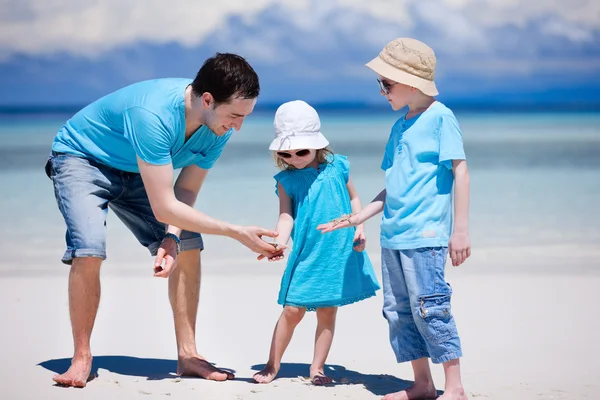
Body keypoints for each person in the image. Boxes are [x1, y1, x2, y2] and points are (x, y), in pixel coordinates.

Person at [44, 53, 283, 388]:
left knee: (188, 243)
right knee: (90, 248)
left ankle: (188, 355)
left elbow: (183, 191)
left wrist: (171, 239)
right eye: (235, 116)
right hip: (83, 160)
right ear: (207, 99)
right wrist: (235, 232)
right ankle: (81, 357)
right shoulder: (152, 114)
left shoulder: (218, 128)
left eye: (245, 116)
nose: (238, 126)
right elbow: (164, 207)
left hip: (136, 170)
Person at [317, 38, 471, 400]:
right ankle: (422, 384)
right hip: (393, 237)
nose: (382, 90)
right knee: (399, 312)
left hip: (426, 235)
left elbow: (460, 171)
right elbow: (392, 190)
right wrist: (358, 218)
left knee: (430, 309)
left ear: (411, 83)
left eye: (386, 83)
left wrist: (460, 230)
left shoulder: (441, 118)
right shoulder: (399, 127)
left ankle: (455, 387)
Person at [252, 100, 380, 385]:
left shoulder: (338, 166)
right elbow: (286, 216)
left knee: (327, 311)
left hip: (337, 250)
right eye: (286, 153)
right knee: (292, 309)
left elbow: (354, 198)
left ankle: (317, 368)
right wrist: (280, 242)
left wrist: (359, 226)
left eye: (302, 151)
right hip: (307, 252)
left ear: (317, 146)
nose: (294, 158)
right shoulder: (286, 180)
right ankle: (272, 365)